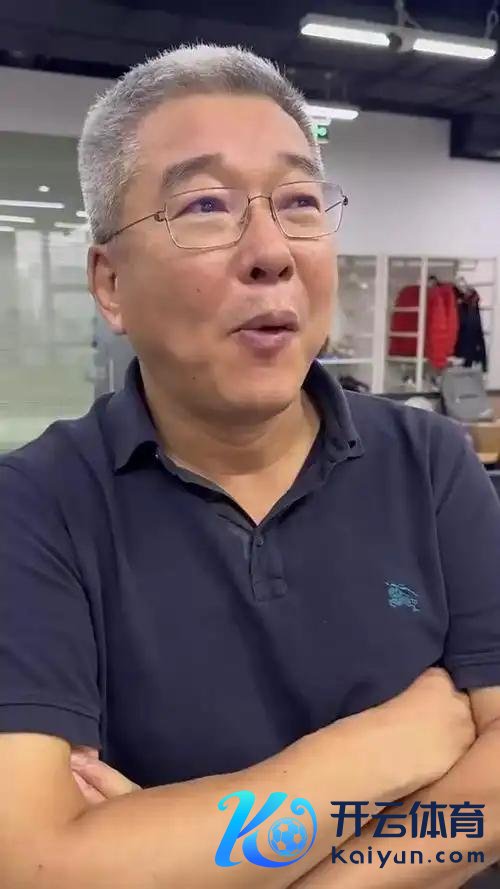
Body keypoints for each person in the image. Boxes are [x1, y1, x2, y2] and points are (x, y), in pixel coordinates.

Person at [0, 43, 499, 889]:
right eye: (205, 205)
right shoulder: (37, 506)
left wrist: (241, 865)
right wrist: (372, 753)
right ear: (110, 283)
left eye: (299, 201)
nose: (272, 250)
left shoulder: (432, 464)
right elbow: (39, 863)